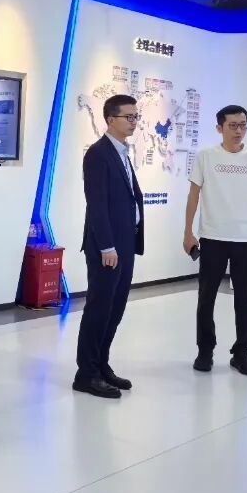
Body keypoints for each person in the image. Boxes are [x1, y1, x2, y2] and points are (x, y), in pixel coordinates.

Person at [184, 105, 247, 376]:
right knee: (206, 297)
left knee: (245, 298)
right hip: (212, 236)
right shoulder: (206, 156)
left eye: (243, 125)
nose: (239, 130)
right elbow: (193, 194)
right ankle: (205, 350)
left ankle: (242, 353)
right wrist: (188, 232)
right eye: (233, 125)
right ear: (220, 128)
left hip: (246, 239)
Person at [73, 94, 144, 400]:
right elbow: (97, 204)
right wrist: (106, 246)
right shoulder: (98, 154)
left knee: (115, 308)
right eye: (129, 117)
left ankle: (101, 365)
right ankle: (86, 374)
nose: (134, 122)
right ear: (110, 119)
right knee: (99, 308)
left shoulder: (121, 152)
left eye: (136, 117)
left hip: (125, 243)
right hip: (108, 247)